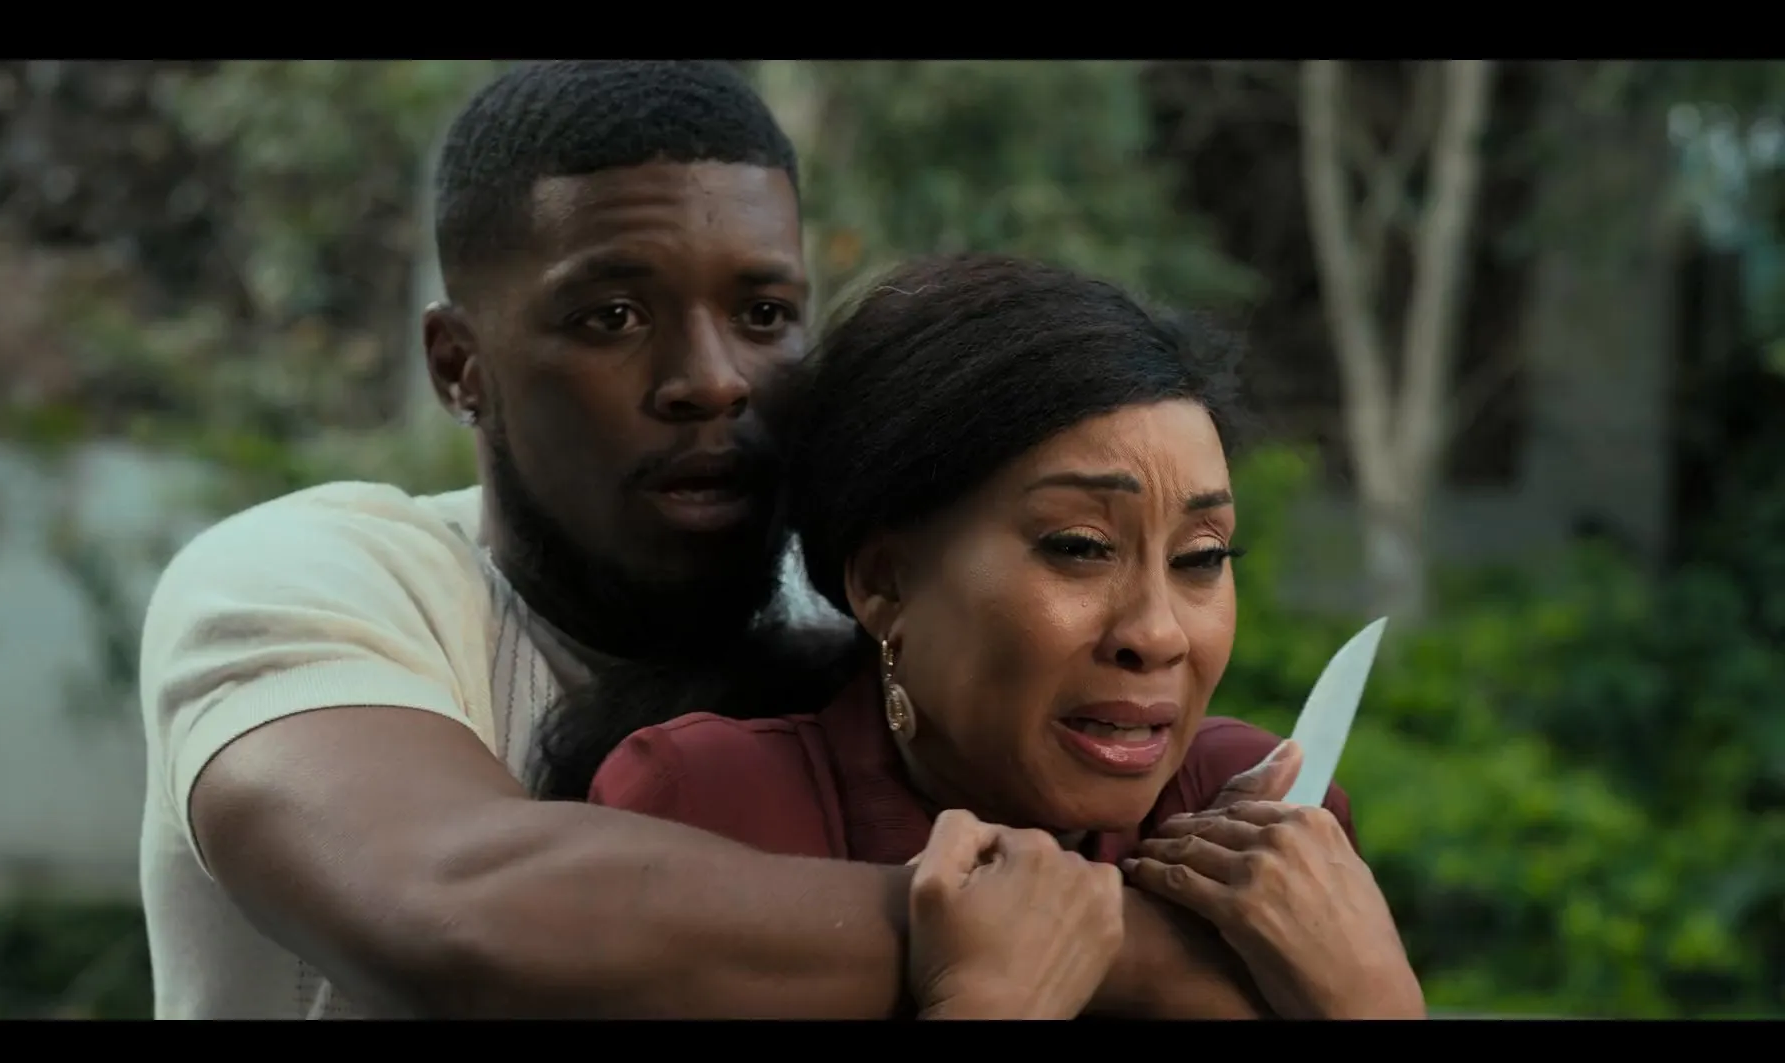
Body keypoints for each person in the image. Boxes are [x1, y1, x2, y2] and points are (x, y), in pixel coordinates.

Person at [137, 61, 1297, 1020]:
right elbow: (458, 912)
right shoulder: (315, 580)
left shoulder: (865, 614)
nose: (710, 379)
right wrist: (1139, 950)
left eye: (764, 316)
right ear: (459, 365)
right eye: (612, 317)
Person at [556, 253, 1428, 1020]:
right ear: (886, 584)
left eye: (1201, 557)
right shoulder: (707, 809)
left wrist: (1374, 997)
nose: (1157, 634)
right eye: (1079, 547)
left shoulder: (1264, 832)